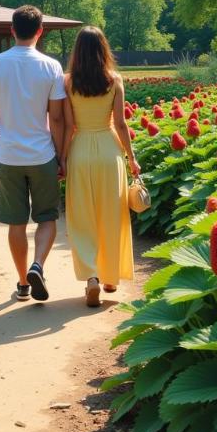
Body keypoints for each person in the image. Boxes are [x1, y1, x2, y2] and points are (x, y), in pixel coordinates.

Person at [0, 5, 66, 302]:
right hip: (42, 155)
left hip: (8, 155)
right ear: (40, 31)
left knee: (16, 223)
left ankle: (22, 284)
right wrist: (61, 155)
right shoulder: (51, 66)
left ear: (12, 30)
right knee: (46, 218)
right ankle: (38, 265)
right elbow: (56, 118)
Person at [62, 26, 140, 308]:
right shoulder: (115, 79)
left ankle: (92, 277)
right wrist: (132, 158)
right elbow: (120, 123)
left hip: (80, 149)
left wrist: (61, 158)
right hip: (109, 151)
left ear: (77, 52)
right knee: (112, 214)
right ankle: (110, 277)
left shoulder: (68, 82)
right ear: (103, 49)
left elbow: (69, 126)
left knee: (83, 217)